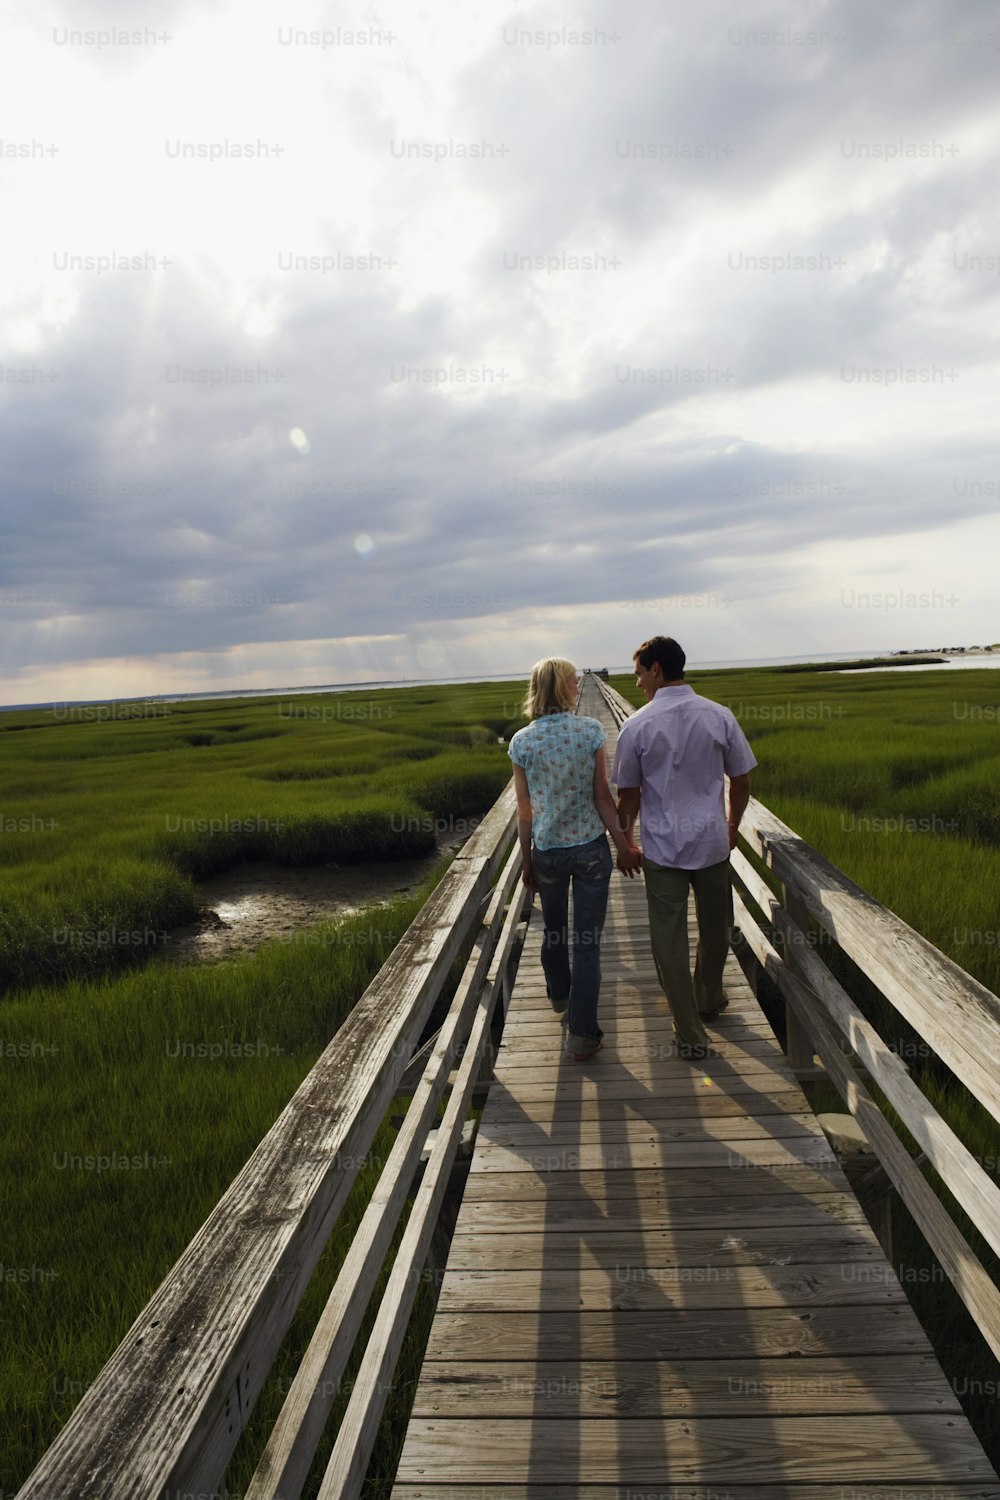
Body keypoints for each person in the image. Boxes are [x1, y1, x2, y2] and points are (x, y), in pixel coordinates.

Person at [611, 636, 757, 1060]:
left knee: (668, 942)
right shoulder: (719, 715)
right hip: (713, 844)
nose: (637, 683)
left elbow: (629, 796)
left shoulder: (637, 725)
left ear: (656, 669)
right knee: (716, 932)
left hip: (662, 851)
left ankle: (690, 1032)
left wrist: (625, 842)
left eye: (638, 673)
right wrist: (731, 825)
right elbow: (742, 780)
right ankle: (708, 1000)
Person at [509, 658, 642, 1061]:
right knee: (587, 944)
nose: (575, 685)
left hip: (547, 850)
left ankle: (558, 995)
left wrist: (527, 861)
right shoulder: (590, 731)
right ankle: (582, 1035)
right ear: (567, 688)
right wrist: (623, 845)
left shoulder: (522, 741)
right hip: (588, 850)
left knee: (553, 930)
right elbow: (603, 796)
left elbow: (524, 808)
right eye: (572, 680)